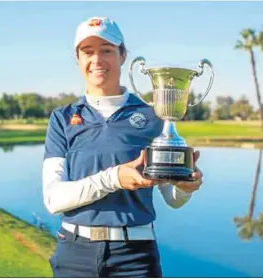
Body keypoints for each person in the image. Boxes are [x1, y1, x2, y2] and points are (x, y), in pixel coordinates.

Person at [42, 16, 204, 278]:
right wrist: (114, 178)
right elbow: (54, 199)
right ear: (78, 59)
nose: (97, 60)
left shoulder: (152, 116)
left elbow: (172, 198)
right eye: (88, 52)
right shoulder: (62, 118)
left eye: (106, 50)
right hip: (74, 253)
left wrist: (186, 187)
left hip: (135, 256)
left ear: (122, 55)